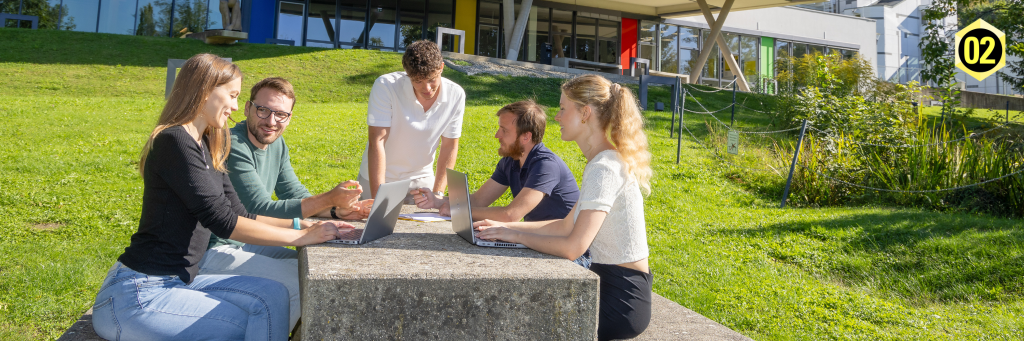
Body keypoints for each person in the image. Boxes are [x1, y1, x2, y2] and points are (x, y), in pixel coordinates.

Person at [91, 54, 351, 341]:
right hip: (138, 295)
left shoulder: (206, 143)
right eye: (232, 95)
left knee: (274, 296)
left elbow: (241, 214)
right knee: (261, 321)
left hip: (179, 282)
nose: (236, 107)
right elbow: (222, 221)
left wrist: (304, 226)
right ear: (205, 91)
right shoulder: (174, 141)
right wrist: (299, 237)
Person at [475, 75, 654, 340]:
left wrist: (515, 235)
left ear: (585, 113)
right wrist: (504, 227)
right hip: (610, 285)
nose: (557, 117)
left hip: (620, 300)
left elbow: (573, 247)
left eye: (562, 108)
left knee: (514, 314)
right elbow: (565, 225)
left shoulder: (604, 168)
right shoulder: (602, 162)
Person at [198, 77, 372, 331]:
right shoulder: (233, 144)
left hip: (248, 242)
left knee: (311, 270)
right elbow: (258, 208)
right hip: (215, 249)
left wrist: (336, 210)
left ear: (289, 118)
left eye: (280, 114)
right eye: (263, 110)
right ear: (247, 108)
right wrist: (328, 200)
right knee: (302, 281)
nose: (271, 121)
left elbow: (294, 192)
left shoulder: (276, 144)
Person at [410, 100, 592, 267]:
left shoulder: (546, 165)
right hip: (535, 242)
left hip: (570, 255)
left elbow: (510, 215)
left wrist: (458, 211)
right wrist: (438, 201)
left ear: (526, 137)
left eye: (504, 130)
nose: (497, 135)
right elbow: (478, 200)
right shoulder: (511, 160)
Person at [359, 40, 465, 202]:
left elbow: (449, 146)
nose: (427, 88)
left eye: (431, 79)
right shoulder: (386, 86)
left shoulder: (456, 94)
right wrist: (377, 199)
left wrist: (438, 193)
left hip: (421, 180)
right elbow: (377, 142)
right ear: (407, 74)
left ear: (441, 67)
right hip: (380, 177)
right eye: (418, 81)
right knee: (375, 219)